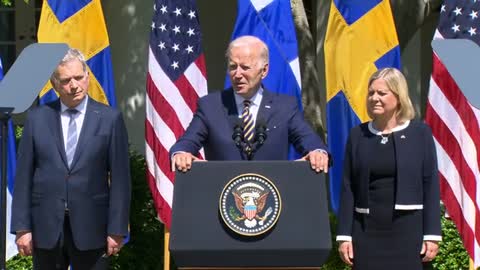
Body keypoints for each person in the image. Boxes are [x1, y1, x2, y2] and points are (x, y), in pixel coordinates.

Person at [11, 48, 131, 270]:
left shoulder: (109, 119)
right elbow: (23, 176)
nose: (74, 85)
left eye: (78, 77)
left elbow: (121, 179)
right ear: (55, 84)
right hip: (46, 227)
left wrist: (117, 229)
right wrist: (22, 227)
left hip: (92, 226)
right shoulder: (37, 118)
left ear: (87, 76)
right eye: (66, 80)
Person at [170, 35, 329, 171]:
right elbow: (185, 144)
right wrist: (181, 154)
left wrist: (317, 152)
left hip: (274, 197)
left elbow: (311, 142)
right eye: (233, 67)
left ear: (264, 70)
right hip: (222, 197)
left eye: (245, 67)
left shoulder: (285, 107)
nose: (237, 74)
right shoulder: (210, 106)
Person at [336, 67, 441, 269]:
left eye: (382, 93)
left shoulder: (420, 134)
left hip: (409, 232)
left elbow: (430, 185)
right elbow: (348, 187)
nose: (374, 98)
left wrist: (432, 234)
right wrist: (344, 236)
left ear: (399, 96)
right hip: (366, 232)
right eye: (371, 93)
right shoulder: (358, 135)